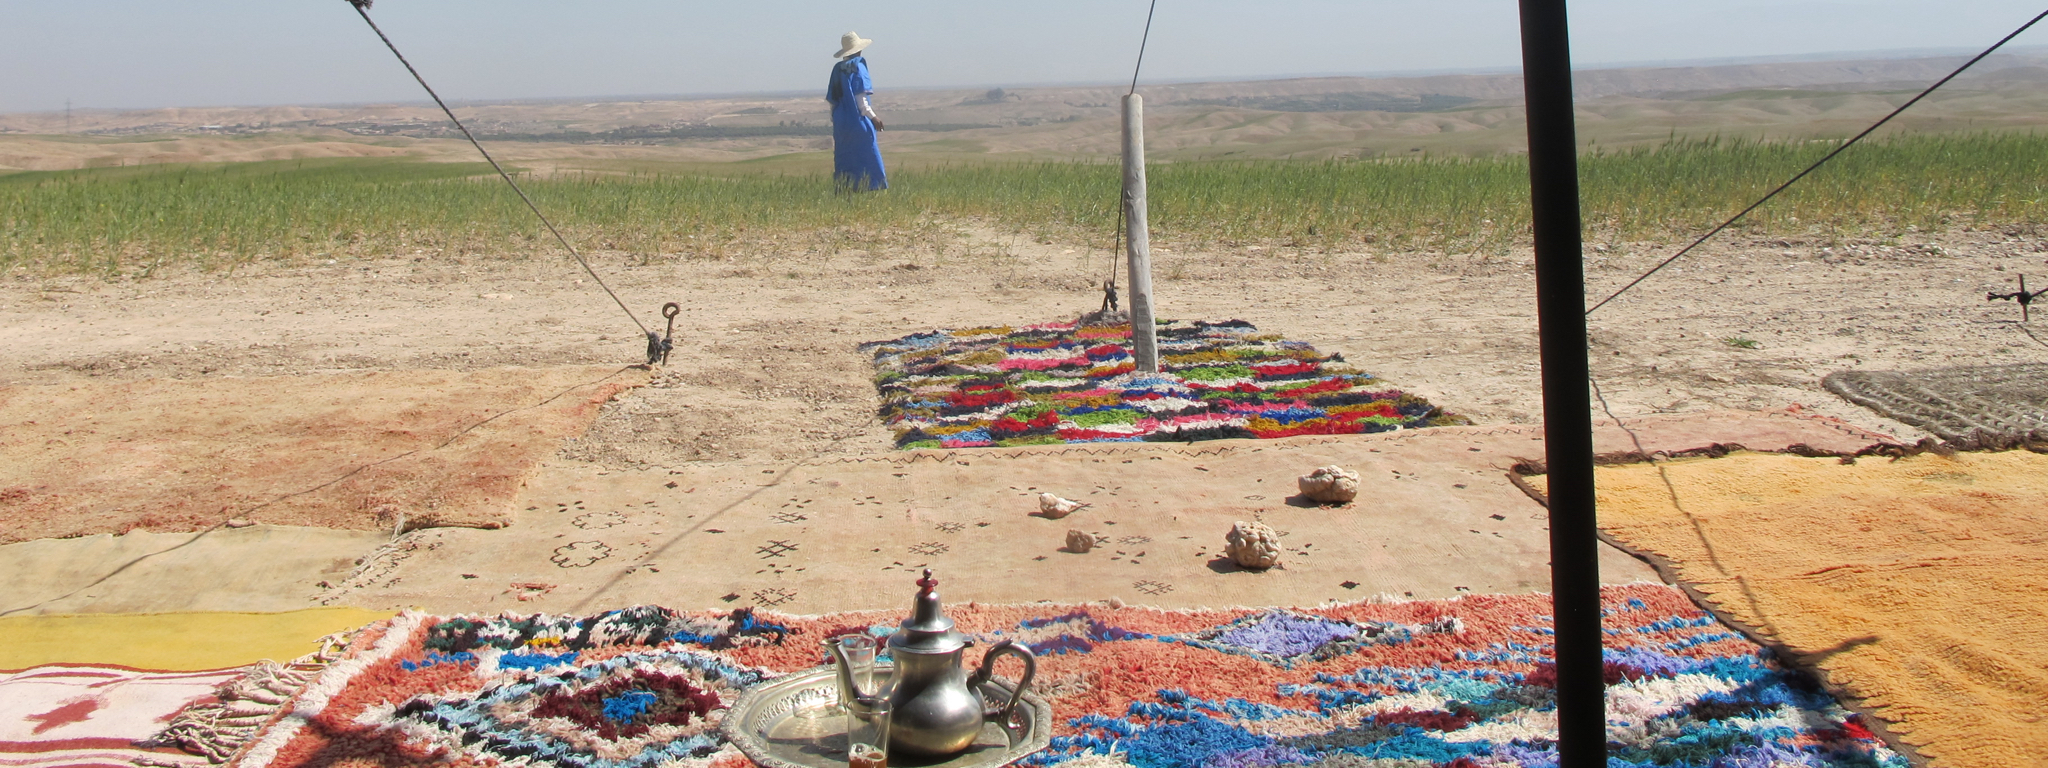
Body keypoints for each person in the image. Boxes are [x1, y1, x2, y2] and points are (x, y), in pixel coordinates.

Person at [827, 31, 887, 191]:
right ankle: (873, 187)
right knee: (869, 155)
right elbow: (861, 100)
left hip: (841, 122)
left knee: (844, 157)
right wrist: (874, 118)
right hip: (857, 121)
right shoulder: (858, 66)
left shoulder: (837, 69)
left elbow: (832, 100)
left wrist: (837, 120)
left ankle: (845, 188)